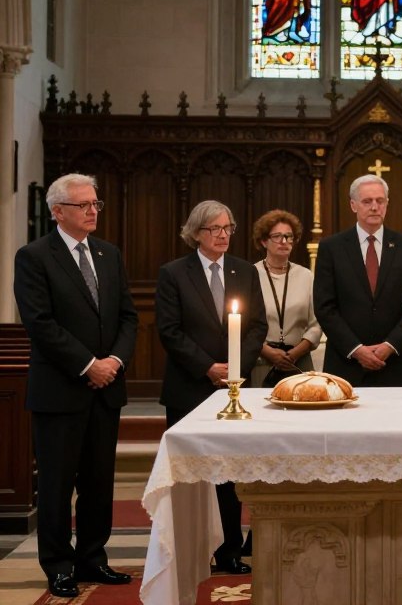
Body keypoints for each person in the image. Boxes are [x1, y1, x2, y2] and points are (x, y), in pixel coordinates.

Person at [13, 174, 138, 599]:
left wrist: (114, 362)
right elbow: (40, 323)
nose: (92, 211)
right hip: (60, 389)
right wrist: (88, 365)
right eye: (83, 204)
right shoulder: (34, 257)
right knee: (56, 483)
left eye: (95, 204)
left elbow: (127, 316)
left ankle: (93, 558)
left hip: (106, 389)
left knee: (99, 482)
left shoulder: (108, 253)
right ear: (57, 212)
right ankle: (58, 565)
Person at [156, 201, 267, 575]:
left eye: (228, 228)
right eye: (215, 229)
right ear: (196, 233)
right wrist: (208, 367)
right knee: (192, 474)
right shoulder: (174, 274)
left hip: (235, 387)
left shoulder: (245, 271)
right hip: (190, 386)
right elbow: (169, 330)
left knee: (229, 471)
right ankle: (190, 544)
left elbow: (257, 326)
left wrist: (235, 368)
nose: (223, 235)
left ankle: (230, 549)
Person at [314, 175, 402, 387]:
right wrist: (356, 349)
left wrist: (390, 345)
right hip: (345, 364)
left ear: (387, 204)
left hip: (394, 365)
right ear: (353, 205)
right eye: (367, 201)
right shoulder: (331, 248)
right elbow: (325, 307)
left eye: (380, 201)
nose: (374, 207)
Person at [252, 209, 322, 387]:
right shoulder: (251, 274)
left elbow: (316, 323)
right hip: (263, 362)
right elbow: (244, 324)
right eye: (277, 236)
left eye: (289, 236)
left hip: (299, 362)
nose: (284, 241)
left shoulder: (306, 276)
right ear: (263, 241)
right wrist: (268, 352)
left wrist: (296, 352)